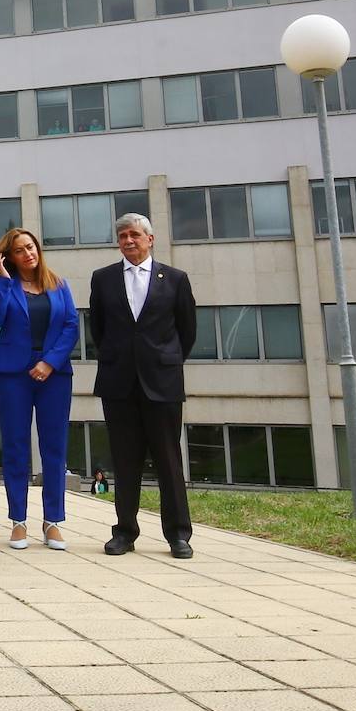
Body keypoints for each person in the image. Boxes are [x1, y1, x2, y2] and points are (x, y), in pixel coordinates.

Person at [89, 212, 197, 559]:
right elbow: (99, 330)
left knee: (168, 460)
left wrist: (163, 359)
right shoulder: (103, 279)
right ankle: (124, 531)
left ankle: (178, 535)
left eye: (135, 235)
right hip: (119, 381)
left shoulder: (175, 279)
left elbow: (187, 331)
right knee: (124, 460)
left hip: (161, 382)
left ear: (150, 239)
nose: (128, 241)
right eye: (122, 236)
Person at [0, 227, 79, 551]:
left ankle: (52, 522)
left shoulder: (58, 284)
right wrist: (3, 279)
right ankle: (18, 521)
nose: (29, 253)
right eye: (20, 250)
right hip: (13, 374)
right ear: (9, 257)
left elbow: (71, 326)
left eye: (32, 247)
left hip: (54, 374)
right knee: (16, 447)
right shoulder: (3, 286)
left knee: (54, 448)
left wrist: (50, 362)